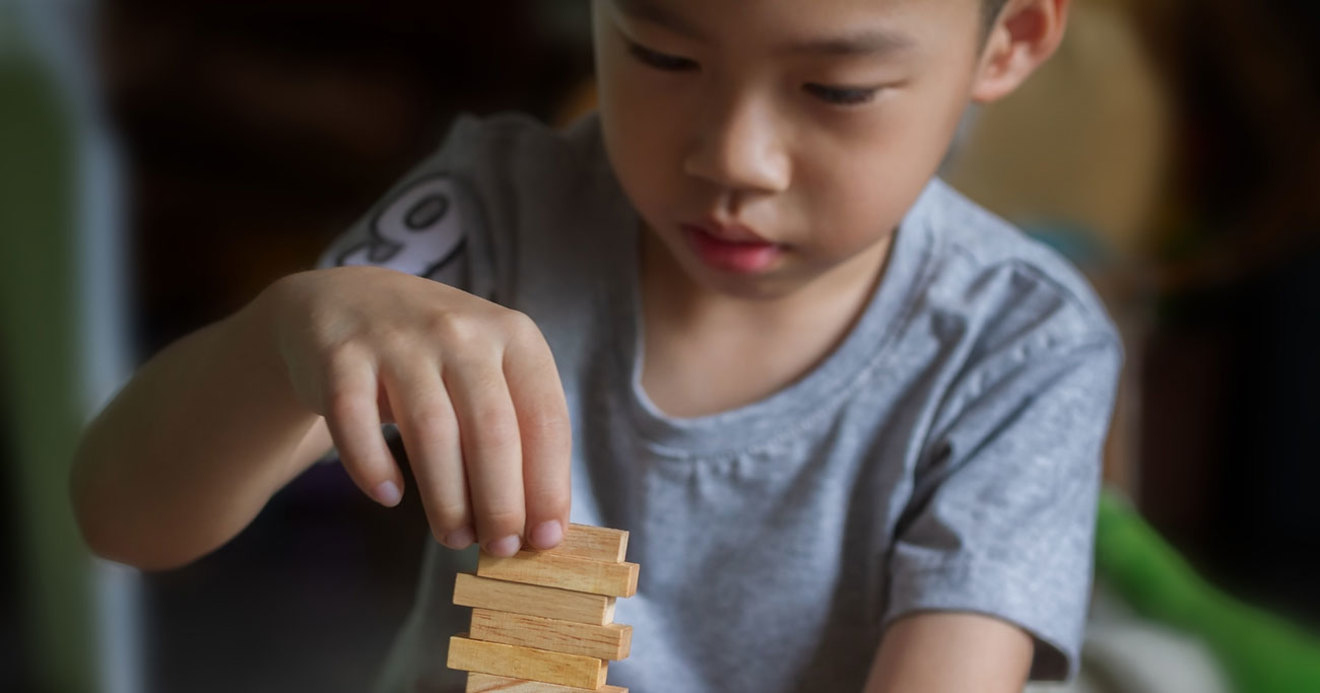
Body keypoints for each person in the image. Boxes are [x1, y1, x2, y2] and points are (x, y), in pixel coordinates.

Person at [70, 0, 1122, 691]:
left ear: (1012, 39)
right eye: (663, 54)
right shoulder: (492, 218)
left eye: (835, 89)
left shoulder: (1021, 349)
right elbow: (119, 513)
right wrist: (286, 332)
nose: (734, 157)